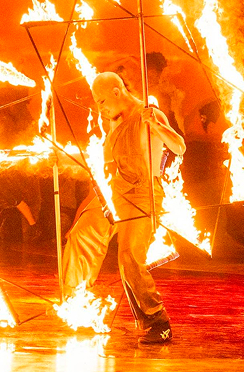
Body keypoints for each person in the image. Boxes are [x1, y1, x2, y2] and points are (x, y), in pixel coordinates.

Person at [61, 72, 186, 345]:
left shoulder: (148, 114)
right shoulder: (110, 121)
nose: (100, 108)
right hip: (115, 191)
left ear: (118, 91)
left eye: (102, 100)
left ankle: (157, 320)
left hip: (143, 194)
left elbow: (179, 146)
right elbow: (108, 167)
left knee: (128, 257)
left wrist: (160, 128)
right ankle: (76, 299)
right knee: (80, 233)